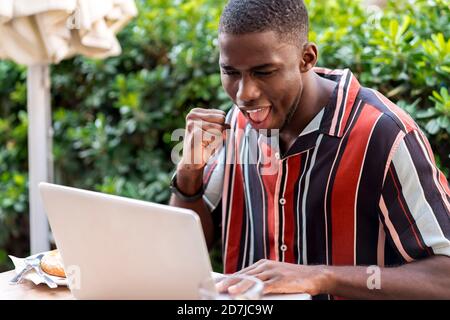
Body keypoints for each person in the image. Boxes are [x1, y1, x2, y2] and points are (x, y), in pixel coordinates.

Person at [169, 0, 450, 299]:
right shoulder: (238, 123)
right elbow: (182, 249)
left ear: (306, 58)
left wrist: (322, 277)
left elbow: (443, 277)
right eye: (231, 73)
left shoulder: (385, 134)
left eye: (264, 72)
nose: (244, 94)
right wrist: (189, 171)